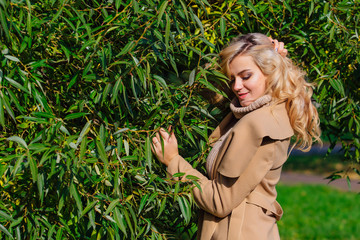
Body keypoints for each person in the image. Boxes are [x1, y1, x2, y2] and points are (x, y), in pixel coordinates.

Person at [151, 33, 321, 240]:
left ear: (270, 72)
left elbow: (220, 201)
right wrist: (275, 57)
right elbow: (206, 87)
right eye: (232, 79)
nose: (236, 86)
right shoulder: (258, 110)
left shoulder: (260, 125)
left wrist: (173, 161)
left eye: (246, 76)